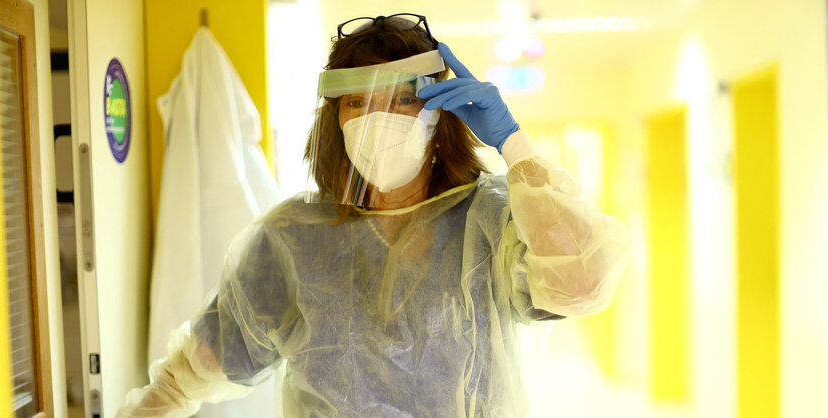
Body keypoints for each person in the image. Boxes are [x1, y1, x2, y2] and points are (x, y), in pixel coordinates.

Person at [117, 13, 629, 418]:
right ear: (334, 118)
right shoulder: (292, 238)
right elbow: (193, 370)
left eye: (402, 101)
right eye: (357, 101)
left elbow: (582, 283)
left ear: (440, 112)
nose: (376, 120)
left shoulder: (490, 220)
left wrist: (515, 146)